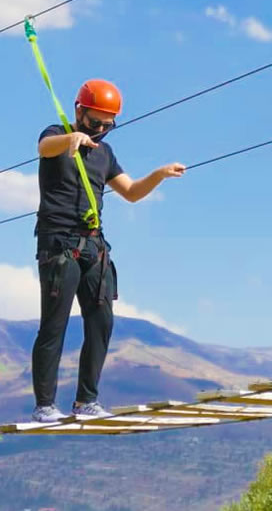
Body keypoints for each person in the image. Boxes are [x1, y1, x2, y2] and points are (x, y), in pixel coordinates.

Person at [30, 79, 185, 422]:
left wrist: (158, 175)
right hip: (59, 244)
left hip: (94, 246)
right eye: (93, 122)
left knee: (101, 321)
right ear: (78, 111)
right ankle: (44, 405)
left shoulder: (105, 153)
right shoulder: (56, 134)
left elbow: (130, 191)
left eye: (107, 125)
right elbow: (45, 148)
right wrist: (71, 138)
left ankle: (86, 401)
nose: (99, 130)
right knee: (54, 324)